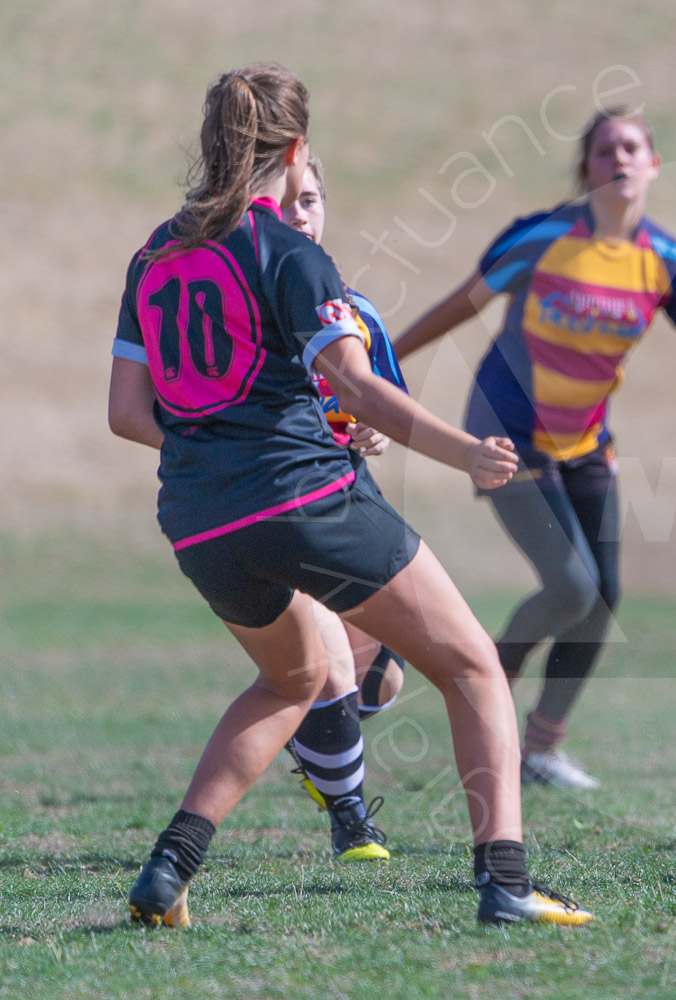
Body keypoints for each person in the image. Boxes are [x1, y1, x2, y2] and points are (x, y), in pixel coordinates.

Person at [107, 63, 591, 926]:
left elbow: (127, 413)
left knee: (287, 681)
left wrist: (217, 452)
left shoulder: (154, 255)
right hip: (301, 495)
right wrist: (468, 453)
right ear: (295, 152)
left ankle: (166, 873)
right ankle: (507, 883)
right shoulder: (291, 252)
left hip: (195, 517)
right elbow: (358, 390)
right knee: (475, 666)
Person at [394, 106, 676, 789]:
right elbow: (462, 305)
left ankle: (541, 747)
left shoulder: (668, 263)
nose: (620, 160)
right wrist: (377, 368)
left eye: (633, 148)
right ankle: (478, 690)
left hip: (584, 444)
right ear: (586, 169)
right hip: (504, 435)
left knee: (602, 598)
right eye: (605, 151)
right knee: (570, 586)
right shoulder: (541, 239)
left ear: (655, 165)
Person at [273, 153, 411, 862]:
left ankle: (315, 738)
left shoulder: (357, 312)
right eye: (290, 200)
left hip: (352, 497)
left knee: (382, 678)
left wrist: (376, 432)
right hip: (290, 503)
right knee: (322, 666)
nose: (301, 214)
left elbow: (384, 402)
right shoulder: (262, 304)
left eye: (313, 201)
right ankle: (351, 818)